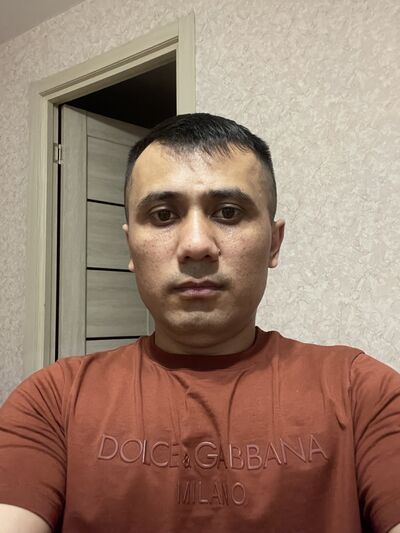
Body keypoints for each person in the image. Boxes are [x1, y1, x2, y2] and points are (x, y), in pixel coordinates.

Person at [0, 113, 399, 533]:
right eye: (162, 215)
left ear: (273, 243)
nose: (195, 245)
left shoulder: (363, 393)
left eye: (228, 212)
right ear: (130, 247)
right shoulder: (52, 401)